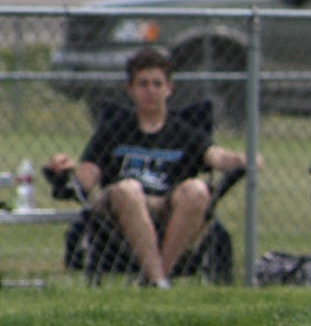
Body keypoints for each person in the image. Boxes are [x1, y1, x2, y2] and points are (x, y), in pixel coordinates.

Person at [44, 47, 255, 288]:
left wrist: (243, 158)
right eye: (143, 84)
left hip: (168, 210)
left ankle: (156, 279)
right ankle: (158, 279)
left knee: (197, 191)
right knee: (129, 189)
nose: (151, 91)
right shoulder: (113, 130)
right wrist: (64, 168)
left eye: (157, 84)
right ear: (130, 89)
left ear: (169, 88)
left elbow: (217, 157)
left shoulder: (185, 132)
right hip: (119, 213)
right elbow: (86, 179)